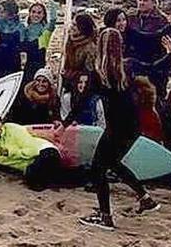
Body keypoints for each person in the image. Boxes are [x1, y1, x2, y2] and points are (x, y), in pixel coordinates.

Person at [63, 28, 159, 231]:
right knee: (114, 163)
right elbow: (154, 67)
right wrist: (169, 54)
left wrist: (64, 123)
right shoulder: (129, 65)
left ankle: (105, 218)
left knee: (98, 170)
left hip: (116, 129)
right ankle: (146, 198)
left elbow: (82, 101)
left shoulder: (98, 74)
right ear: (120, 45)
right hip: (133, 126)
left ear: (100, 46)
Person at [0, 112, 63, 191]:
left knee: (40, 168)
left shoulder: (13, 129)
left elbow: (31, 149)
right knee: (33, 179)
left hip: (43, 151)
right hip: (29, 167)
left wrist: (10, 153)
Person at [124, 0, 171, 104]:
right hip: (134, 65)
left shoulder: (163, 21)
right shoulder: (130, 18)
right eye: (139, 0)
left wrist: (166, 64)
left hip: (157, 66)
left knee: (156, 99)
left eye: (145, 0)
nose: (141, 3)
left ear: (154, 3)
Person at [61, 12, 98, 92]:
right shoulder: (71, 41)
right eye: (72, 24)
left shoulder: (90, 48)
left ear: (82, 28)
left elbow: (88, 72)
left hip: (83, 86)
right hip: (68, 82)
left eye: (75, 25)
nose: (72, 27)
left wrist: (69, 74)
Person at [22, 0, 57, 79]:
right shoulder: (25, 29)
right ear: (29, 13)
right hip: (24, 68)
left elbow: (53, 19)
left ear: (44, 15)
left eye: (39, 13)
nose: (36, 15)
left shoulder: (45, 30)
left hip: (38, 68)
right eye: (33, 12)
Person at [0, 0, 23, 79]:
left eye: (2, 12)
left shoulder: (20, 26)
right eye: (0, 11)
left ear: (11, 14)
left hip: (12, 60)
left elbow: (22, 43)